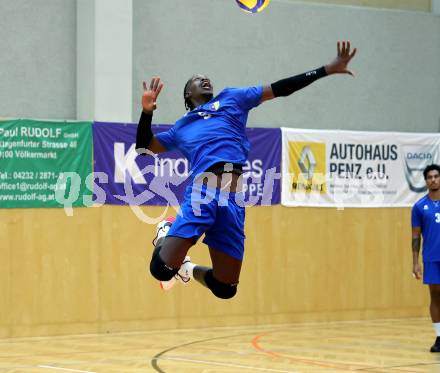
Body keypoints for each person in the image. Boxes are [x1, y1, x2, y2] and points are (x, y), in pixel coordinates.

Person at [136, 41, 357, 299]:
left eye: (206, 78)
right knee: (161, 269)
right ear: (188, 95)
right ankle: (165, 232)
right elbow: (144, 148)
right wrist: (146, 112)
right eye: (197, 80)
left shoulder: (232, 98)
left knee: (225, 287)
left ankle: (188, 269)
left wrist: (326, 69)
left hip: (234, 200)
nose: (204, 80)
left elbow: (279, 88)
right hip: (202, 194)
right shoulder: (182, 127)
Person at [412, 164, 440, 352]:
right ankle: (439, 337)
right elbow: (415, 236)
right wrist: (415, 262)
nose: (433, 180)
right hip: (431, 258)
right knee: (436, 296)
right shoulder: (419, 206)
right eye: (430, 177)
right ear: (426, 181)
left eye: (436, 176)